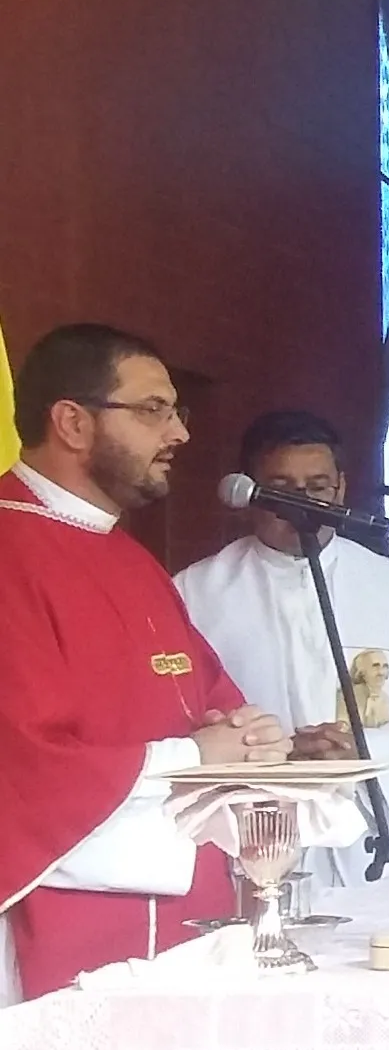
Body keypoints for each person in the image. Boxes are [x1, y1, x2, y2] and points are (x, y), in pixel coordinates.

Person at [0, 324, 290, 996]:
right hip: (58, 925)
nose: (179, 432)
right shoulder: (9, 548)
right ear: (72, 422)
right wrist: (194, 756)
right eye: (153, 409)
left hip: (181, 921)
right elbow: (20, 760)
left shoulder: (130, 558)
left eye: (176, 411)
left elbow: (207, 693)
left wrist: (252, 733)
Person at [176, 410, 389, 887]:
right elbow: (171, 724)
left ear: (340, 489)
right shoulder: (193, 594)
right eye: (279, 490)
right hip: (246, 840)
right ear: (249, 493)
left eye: (317, 487)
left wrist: (363, 753)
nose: (302, 505)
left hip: (367, 841)